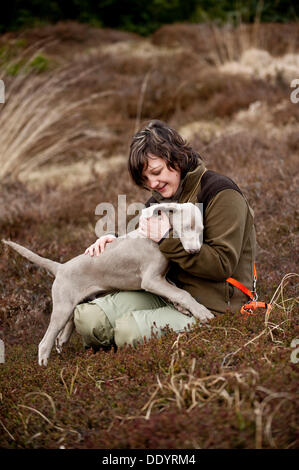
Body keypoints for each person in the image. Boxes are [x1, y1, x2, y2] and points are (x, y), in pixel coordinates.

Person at [74, 120, 256, 351]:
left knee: (126, 333)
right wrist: (114, 240)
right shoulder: (160, 199)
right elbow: (146, 241)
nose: (153, 184)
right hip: (169, 292)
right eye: (145, 180)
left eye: (157, 172)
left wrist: (167, 238)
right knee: (89, 319)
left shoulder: (221, 193)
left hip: (216, 304)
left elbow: (222, 266)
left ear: (177, 158)